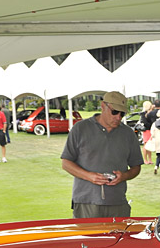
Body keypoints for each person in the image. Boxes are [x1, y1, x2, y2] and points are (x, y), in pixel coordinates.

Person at [60, 90, 142, 218]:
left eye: (122, 113)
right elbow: (66, 163)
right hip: (86, 202)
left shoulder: (128, 134)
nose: (118, 117)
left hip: (118, 203)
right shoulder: (80, 129)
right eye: (114, 112)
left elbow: (136, 167)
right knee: (88, 238)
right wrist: (89, 176)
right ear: (103, 106)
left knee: (119, 238)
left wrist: (124, 176)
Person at [137, 100, 156, 165]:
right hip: (146, 130)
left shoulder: (150, 113)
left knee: (149, 145)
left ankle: (150, 159)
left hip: (150, 130)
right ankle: (145, 159)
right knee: (146, 145)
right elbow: (145, 122)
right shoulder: (143, 114)